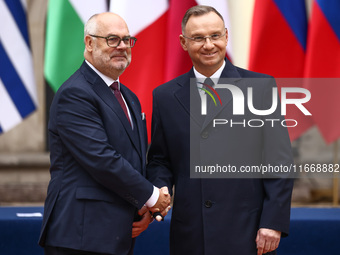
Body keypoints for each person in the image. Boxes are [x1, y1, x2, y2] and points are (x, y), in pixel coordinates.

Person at [147, 5, 294, 255]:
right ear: (183, 42)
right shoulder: (165, 96)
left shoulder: (260, 88)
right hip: (190, 234)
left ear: (226, 36)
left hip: (248, 233)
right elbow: (160, 159)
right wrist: (160, 187)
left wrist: (272, 222)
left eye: (215, 35)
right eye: (198, 38)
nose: (208, 45)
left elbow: (279, 161)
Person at [39, 12, 170, 255]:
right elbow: (102, 158)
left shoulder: (129, 97)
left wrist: (143, 208)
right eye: (112, 39)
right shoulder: (75, 93)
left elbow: (136, 161)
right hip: (80, 236)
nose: (122, 46)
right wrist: (152, 197)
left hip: (118, 234)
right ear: (89, 43)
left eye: (126, 40)